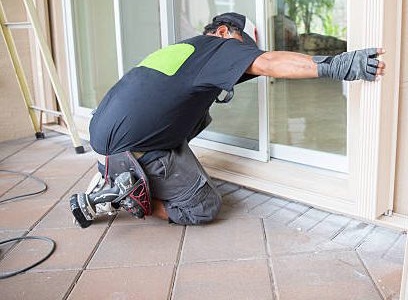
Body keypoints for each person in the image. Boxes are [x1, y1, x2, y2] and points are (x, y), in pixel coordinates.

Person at [77, 12, 385, 226]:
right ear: (224, 32)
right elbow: (270, 62)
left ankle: (115, 173)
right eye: (244, 49)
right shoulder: (219, 46)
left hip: (103, 137)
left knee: (196, 115)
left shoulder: (186, 50)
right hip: (133, 145)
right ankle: (123, 195)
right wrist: (339, 65)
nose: (244, 57)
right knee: (203, 207)